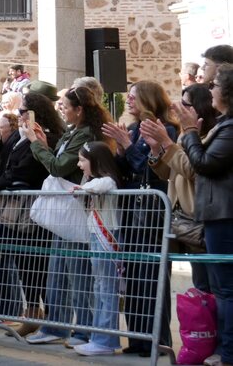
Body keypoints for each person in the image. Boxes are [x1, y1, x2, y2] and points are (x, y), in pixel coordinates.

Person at [25, 86, 111, 346]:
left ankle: (83, 330)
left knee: (77, 275)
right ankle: (57, 326)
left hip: (75, 211)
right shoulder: (74, 132)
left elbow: (59, 166)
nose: (60, 108)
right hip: (65, 212)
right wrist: (42, 144)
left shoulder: (86, 134)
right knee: (58, 273)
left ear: (79, 109)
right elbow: (57, 158)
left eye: (64, 104)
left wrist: (36, 146)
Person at [101, 79, 178, 355]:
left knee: (152, 277)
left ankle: (156, 341)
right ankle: (136, 338)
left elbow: (150, 168)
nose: (129, 100)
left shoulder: (165, 129)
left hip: (151, 212)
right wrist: (121, 147)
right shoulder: (133, 129)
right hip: (131, 211)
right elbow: (127, 167)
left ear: (147, 99)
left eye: (133, 96)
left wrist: (127, 145)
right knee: (132, 276)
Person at [0, 95, 62, 336]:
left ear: (37, 111)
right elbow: (5, 162)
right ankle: (33, 314)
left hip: (30, 210)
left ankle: (50, 318)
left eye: (25, 110)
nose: (21, 114)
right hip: (10, 210)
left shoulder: (46, 135)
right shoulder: (19, 133)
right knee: (21, 263)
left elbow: (27, 167)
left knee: (37, 264)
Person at [181, 64, 233, 365]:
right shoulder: (225, 125)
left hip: (224, 216)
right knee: (221, 288)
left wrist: (189, 132)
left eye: (214, 85)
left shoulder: (229, 128)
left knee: (226, 289)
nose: (210, 89)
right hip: (216, 215)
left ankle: (228, 353)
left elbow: (204, 163)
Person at [144, 83, 219, 292]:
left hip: (201, 221)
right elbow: (170, 173)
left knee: (211, 285)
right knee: (201, 284)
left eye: (185, 104)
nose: (178, 108)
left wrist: (167, 143)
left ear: (200, 108)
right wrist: (156, 149)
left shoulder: (212, 134)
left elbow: (193, 170)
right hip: (184, 220)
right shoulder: (184, 134)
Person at [71, 141, 123, 356]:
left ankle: (106, 340)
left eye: (83, 160)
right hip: (96, 237)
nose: (79, 164)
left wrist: (82, 187)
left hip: (106, 238)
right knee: (99, 287)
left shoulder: (107, 181)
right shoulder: (95, 181)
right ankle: (100, 337)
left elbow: (102, 185)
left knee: (106, 289)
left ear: (96, 161)